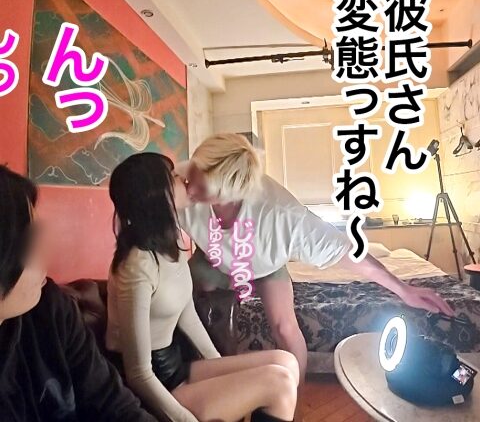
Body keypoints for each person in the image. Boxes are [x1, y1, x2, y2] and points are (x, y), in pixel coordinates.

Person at [175, 133, 455, 411]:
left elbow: (346, 251)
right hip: (213, 257)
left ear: (228, 191)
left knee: (285, 328)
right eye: (190, 173)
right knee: (185, 298)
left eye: (198, 186)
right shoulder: (181, 183)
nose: (188, 186)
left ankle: (291, 402)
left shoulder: (283, 216)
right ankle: (200, 376)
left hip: (265, 261)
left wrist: (403, 289)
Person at [105, 152, 299, 422]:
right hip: (153, 388)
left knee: (286, 362)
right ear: (155, 195)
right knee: (278, 383)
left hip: (175, 367)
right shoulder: (137, 265)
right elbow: (137, 374)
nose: (183, 179)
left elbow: (188, 315)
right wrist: (184, 419)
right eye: (173, 176)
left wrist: (220, 365)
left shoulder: (169, 245)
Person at [0, 165, 156, 422]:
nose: (46, 250)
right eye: (30, 239)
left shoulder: (50, 308)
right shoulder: (136, 265)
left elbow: (115, 405)